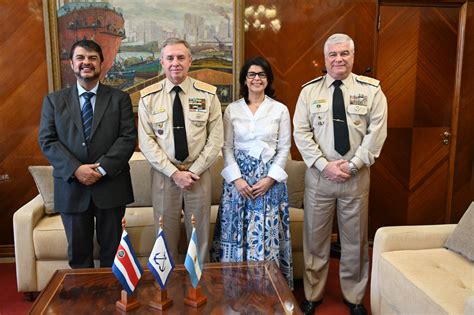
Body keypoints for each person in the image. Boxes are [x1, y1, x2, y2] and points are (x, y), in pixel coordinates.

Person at [293, 33, 388, 315]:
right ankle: (313, 294)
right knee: (315, 239)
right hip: (319, 177)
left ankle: (355, 297)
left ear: (353, 56)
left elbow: (377, 132)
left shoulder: (371, 91)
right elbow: (301, 132)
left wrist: (353, 165)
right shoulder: (309, 91)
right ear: (325, 59)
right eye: (333, 54)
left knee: (355, 241)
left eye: (344, 53)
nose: (339, 59)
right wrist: (324, 165)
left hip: (355, 177)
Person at [38, 40, 137, 268]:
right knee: (79, 255)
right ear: (72, 63)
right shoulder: (54, 101)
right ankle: (83, 302)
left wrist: (101, 169)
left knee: (113, 254)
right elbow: (48, 141)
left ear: (101, 63)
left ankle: (112, 300)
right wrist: (76, 169)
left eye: (92, 58)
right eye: (81, 57)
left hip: (111, 186)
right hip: (71, 188)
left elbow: (127, 139)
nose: (86, 62)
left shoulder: (119, 99)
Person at [138, 38, 223, 264]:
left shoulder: (207, 95)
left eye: (181, 57)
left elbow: (216, 138)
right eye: (170, 58)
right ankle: (168, 290)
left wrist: (193, 171)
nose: (175, 63)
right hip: (165, 177)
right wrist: (174, 173)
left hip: (198, 175)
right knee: (164, 236)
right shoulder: (149, 98)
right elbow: (146, 141)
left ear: (190, 61)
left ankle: (199, 288)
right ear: (162, 62)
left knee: (200, 235)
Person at [211, 56, 293, 288]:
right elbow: (226, 147)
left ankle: (268, 288)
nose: (257, 79)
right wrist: (237, 180)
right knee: (236, 235)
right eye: (252, 75)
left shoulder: (280, 110)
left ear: (268, 80)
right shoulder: (232, 110)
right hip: (238, 184)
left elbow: (284, 148)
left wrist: (269, 179)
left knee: (264, 235)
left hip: (269, 183)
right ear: (244, 80)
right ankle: (235, 287)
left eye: (262, 75)